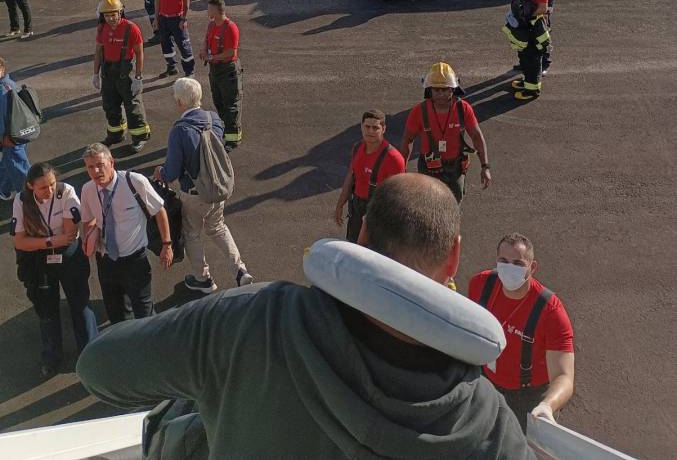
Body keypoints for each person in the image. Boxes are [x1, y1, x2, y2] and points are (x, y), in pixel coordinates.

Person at [77, 174, 534, 460]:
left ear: (362, 233)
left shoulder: (251, 319)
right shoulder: (486, 423)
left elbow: (99, 367)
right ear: (453, 258)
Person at [154, 77, 253, 294]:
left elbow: (171, 172)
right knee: (218, 227)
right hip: (218, 188)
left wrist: (160, 171)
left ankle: (203, 279)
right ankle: (240, 270)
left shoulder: (179, 131)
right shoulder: (213, 119)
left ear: (180, 102)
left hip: (194, 194)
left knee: (192, 234)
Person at [469, 233, 575, 432]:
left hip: (529, 397)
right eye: (503, 261)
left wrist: (547, 406)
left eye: (518, 263)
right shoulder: (480, 285)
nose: (509, 268)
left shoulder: (550, 311)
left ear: (532, 267)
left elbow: (564, 376)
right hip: (487, 383)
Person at [11, 162, 98, 376]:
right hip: (41, 260)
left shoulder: (66, 191)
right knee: (46, 309)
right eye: (43, 188)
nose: (49, 191)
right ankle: (52, 356)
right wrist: (50, 241)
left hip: (69, 255)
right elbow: (19, 242)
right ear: (31, 186)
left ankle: (92, 353)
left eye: (51, 184)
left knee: (80, 304)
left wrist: (40, 240)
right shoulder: (21, 201)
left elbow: (69, 234)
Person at [80, 143, 172, 324]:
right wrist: (90, 237)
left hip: (135, 260)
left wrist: (167, 245)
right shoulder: (87, 190)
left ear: (111, 162)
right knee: (116, 314)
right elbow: (88, 219)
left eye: (100, 164)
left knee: (143, 312)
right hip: (106, 260)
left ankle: (150, 347)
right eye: (91, 167)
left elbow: (159, 211)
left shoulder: (134, 181)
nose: (96, 171)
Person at [401, 62, 490, 205]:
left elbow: (476, 136)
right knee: (428, 205)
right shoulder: (419, 112)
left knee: (454, 204)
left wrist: (485, 167)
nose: (441, 94)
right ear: (429, 90)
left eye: (445, 90)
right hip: (429, 170)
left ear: (453, 89)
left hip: (456, 168)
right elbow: (407, 140)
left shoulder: (464, 109)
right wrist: (402, 169)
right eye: (437, 90)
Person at [334, 110, 406, 241]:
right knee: (353, 249)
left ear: (383, 129)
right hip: (357, 209)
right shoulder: (357, 148)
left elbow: (398, 196)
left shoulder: (394, 159)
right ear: (361, 127)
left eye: (375, 127)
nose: (371, 131)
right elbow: (351, 177)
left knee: (373, 255)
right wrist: (340, 204)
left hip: (379, 213)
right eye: (367, 127)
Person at [93, 0, 150, 152]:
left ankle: (140, 137)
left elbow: (139, 53)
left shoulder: (131, 28)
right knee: (110, 105)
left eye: (113, 14)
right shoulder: (102, 29)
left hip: (127, 73)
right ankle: (116, 134)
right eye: (107, 15)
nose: (110, 18)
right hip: (108, 72)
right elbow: (98, 51)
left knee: (133, 106)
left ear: (120, 12)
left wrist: (138, 77)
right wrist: (95, 74)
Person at [199, 0, 243, 148]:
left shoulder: (230, 28)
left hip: (227, 70)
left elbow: (231, 52)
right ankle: (226, 129)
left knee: (231, 104)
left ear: (217, 11)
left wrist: (212, 57)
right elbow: (206, 40)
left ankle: (233, 138)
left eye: (209, 9)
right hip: (215, 70)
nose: (207, 12)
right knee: (219, 101)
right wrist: (203, 50)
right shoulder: (212, 25)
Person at [507, 0, 550, 101]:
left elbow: (543, 8)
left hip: (534, 29)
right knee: (524, 56)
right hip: (526, 28)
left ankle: (532, 90)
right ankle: (526, 81)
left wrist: (527, 18)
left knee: (533, 59)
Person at [153, 0, 195, 79]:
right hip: (163, 18)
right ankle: (171, 67)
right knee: (165, 43)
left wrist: (183, 19)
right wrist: (156, 19)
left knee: (183, 45)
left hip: (177, 19)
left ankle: (189, 72)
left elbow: (186, 2)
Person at [0, 56, 29, 200]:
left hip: (9, 136)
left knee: (18, 167)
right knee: (9, 161)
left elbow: (2, 119)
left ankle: (28, 195)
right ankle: (3, 188)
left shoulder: (2, 91)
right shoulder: (10, 84)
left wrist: (2, 138)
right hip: (20, 132)